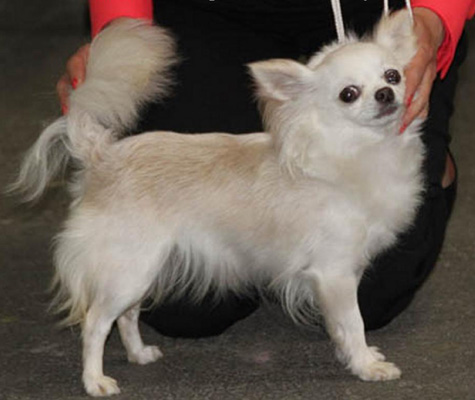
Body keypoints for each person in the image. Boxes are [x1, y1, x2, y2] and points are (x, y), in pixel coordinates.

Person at [56, 0, 475, 337]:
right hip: (210, 12)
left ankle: (427, 160)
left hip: (370, 9)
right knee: (186, 309)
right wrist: (120, 35)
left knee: (373, 291)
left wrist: (435, 17)